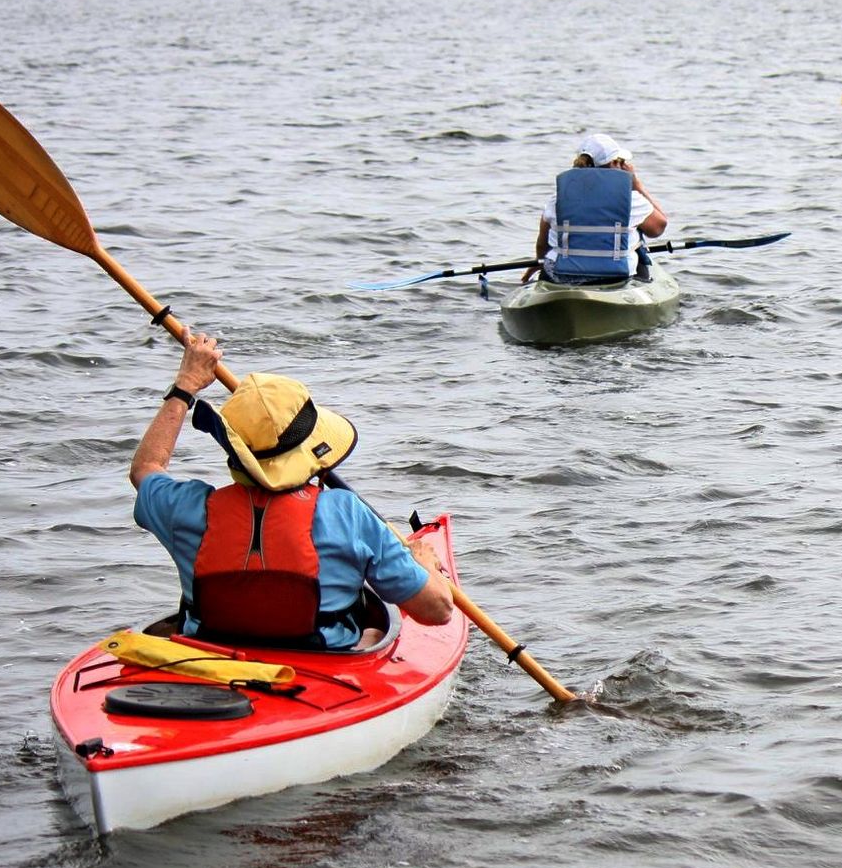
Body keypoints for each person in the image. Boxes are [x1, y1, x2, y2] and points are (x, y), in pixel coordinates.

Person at [129, 329, 454, 650]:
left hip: (210, 660)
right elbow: (437, 610)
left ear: (233, 450)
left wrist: (185, 386)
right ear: (311, 448)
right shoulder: (347, 513)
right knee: (371, 630)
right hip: (322, 669)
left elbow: (146, 469)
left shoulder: (186, 508)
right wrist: (421, 561)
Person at [534, 134, 668, 284]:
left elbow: (542, 244)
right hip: (613, 277)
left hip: (560, 275)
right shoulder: (631, 199)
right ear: (614, 164)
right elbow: (659, 227)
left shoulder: (558, 198)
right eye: (621, 162)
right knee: (637, 243)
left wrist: (539, 263)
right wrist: (636, 184)